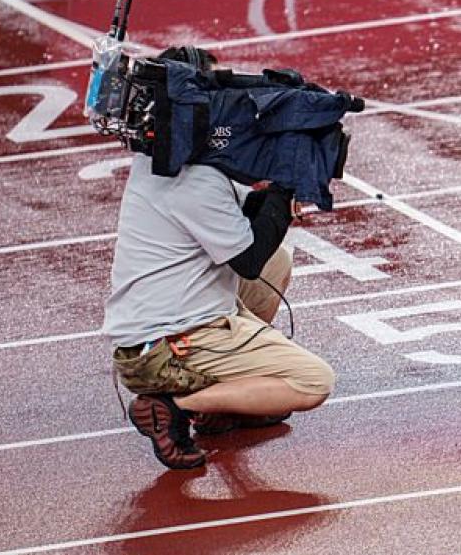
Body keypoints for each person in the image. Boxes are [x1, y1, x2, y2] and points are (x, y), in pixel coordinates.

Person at [104, 46, 335, 470]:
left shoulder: (161, 158)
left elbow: (247, 214)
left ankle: (226, 400)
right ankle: (178, 404)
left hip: (154, 326)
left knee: (277, 262)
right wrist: (286, 185)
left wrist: (278, 190)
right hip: (167, 345)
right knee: (313, 381)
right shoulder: (195, 181)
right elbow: (247, 258)